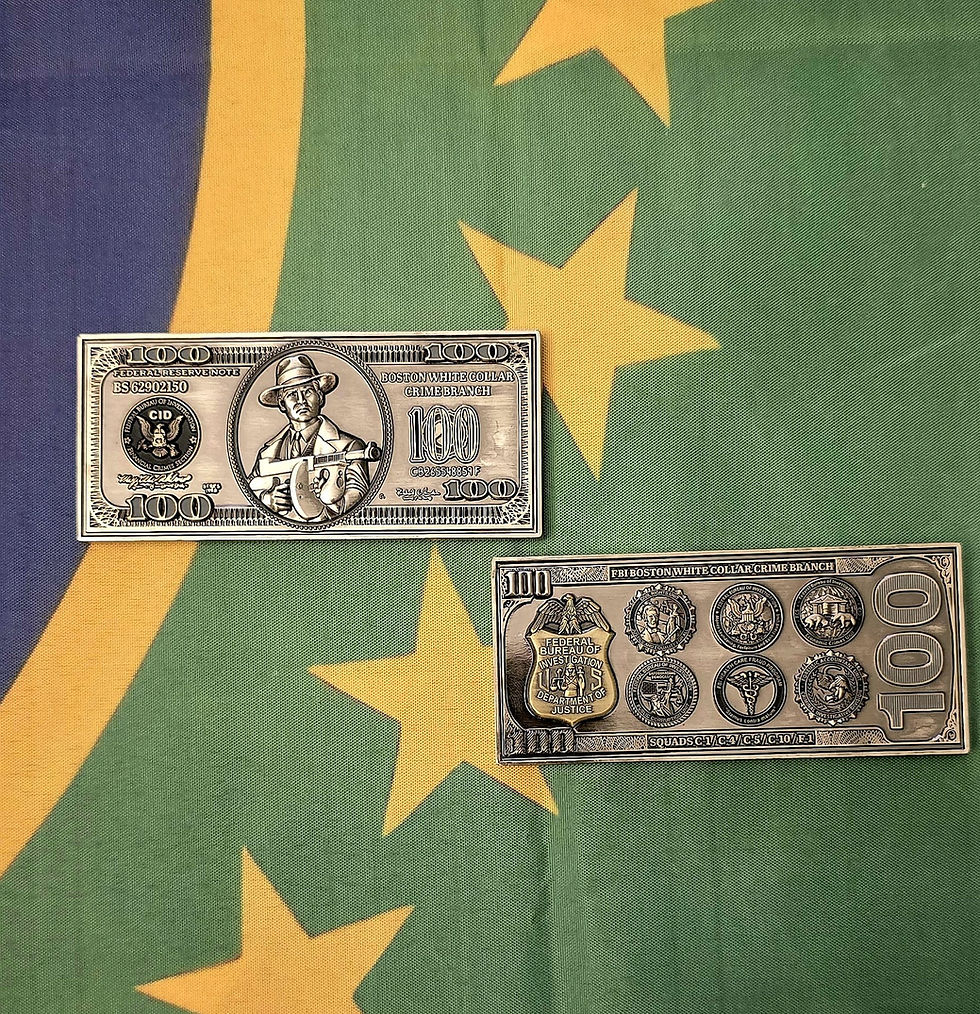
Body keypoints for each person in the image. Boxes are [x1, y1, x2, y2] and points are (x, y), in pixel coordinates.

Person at [248, 354, 369, 520]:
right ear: (282, 404)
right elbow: (248, 493)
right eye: (292, 394)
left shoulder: (350, 447)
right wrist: (267, 501)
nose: (301, 401)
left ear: (320, 396)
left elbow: (358, 499)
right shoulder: (266, 453)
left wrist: (328, 501)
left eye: (308, 392)